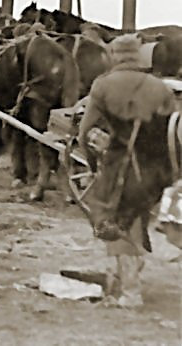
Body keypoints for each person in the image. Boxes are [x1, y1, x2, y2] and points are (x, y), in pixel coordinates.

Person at [76, 33, 178, 307]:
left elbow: (84, 133)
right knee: (136, 220)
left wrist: (93, 163)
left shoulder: (103, 85)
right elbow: (172, 132)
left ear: (113, 55)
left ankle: (130, 292)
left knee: (114, 221)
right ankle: (123, 278)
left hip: (121, 165)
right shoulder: (160, 87)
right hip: (157, 169)